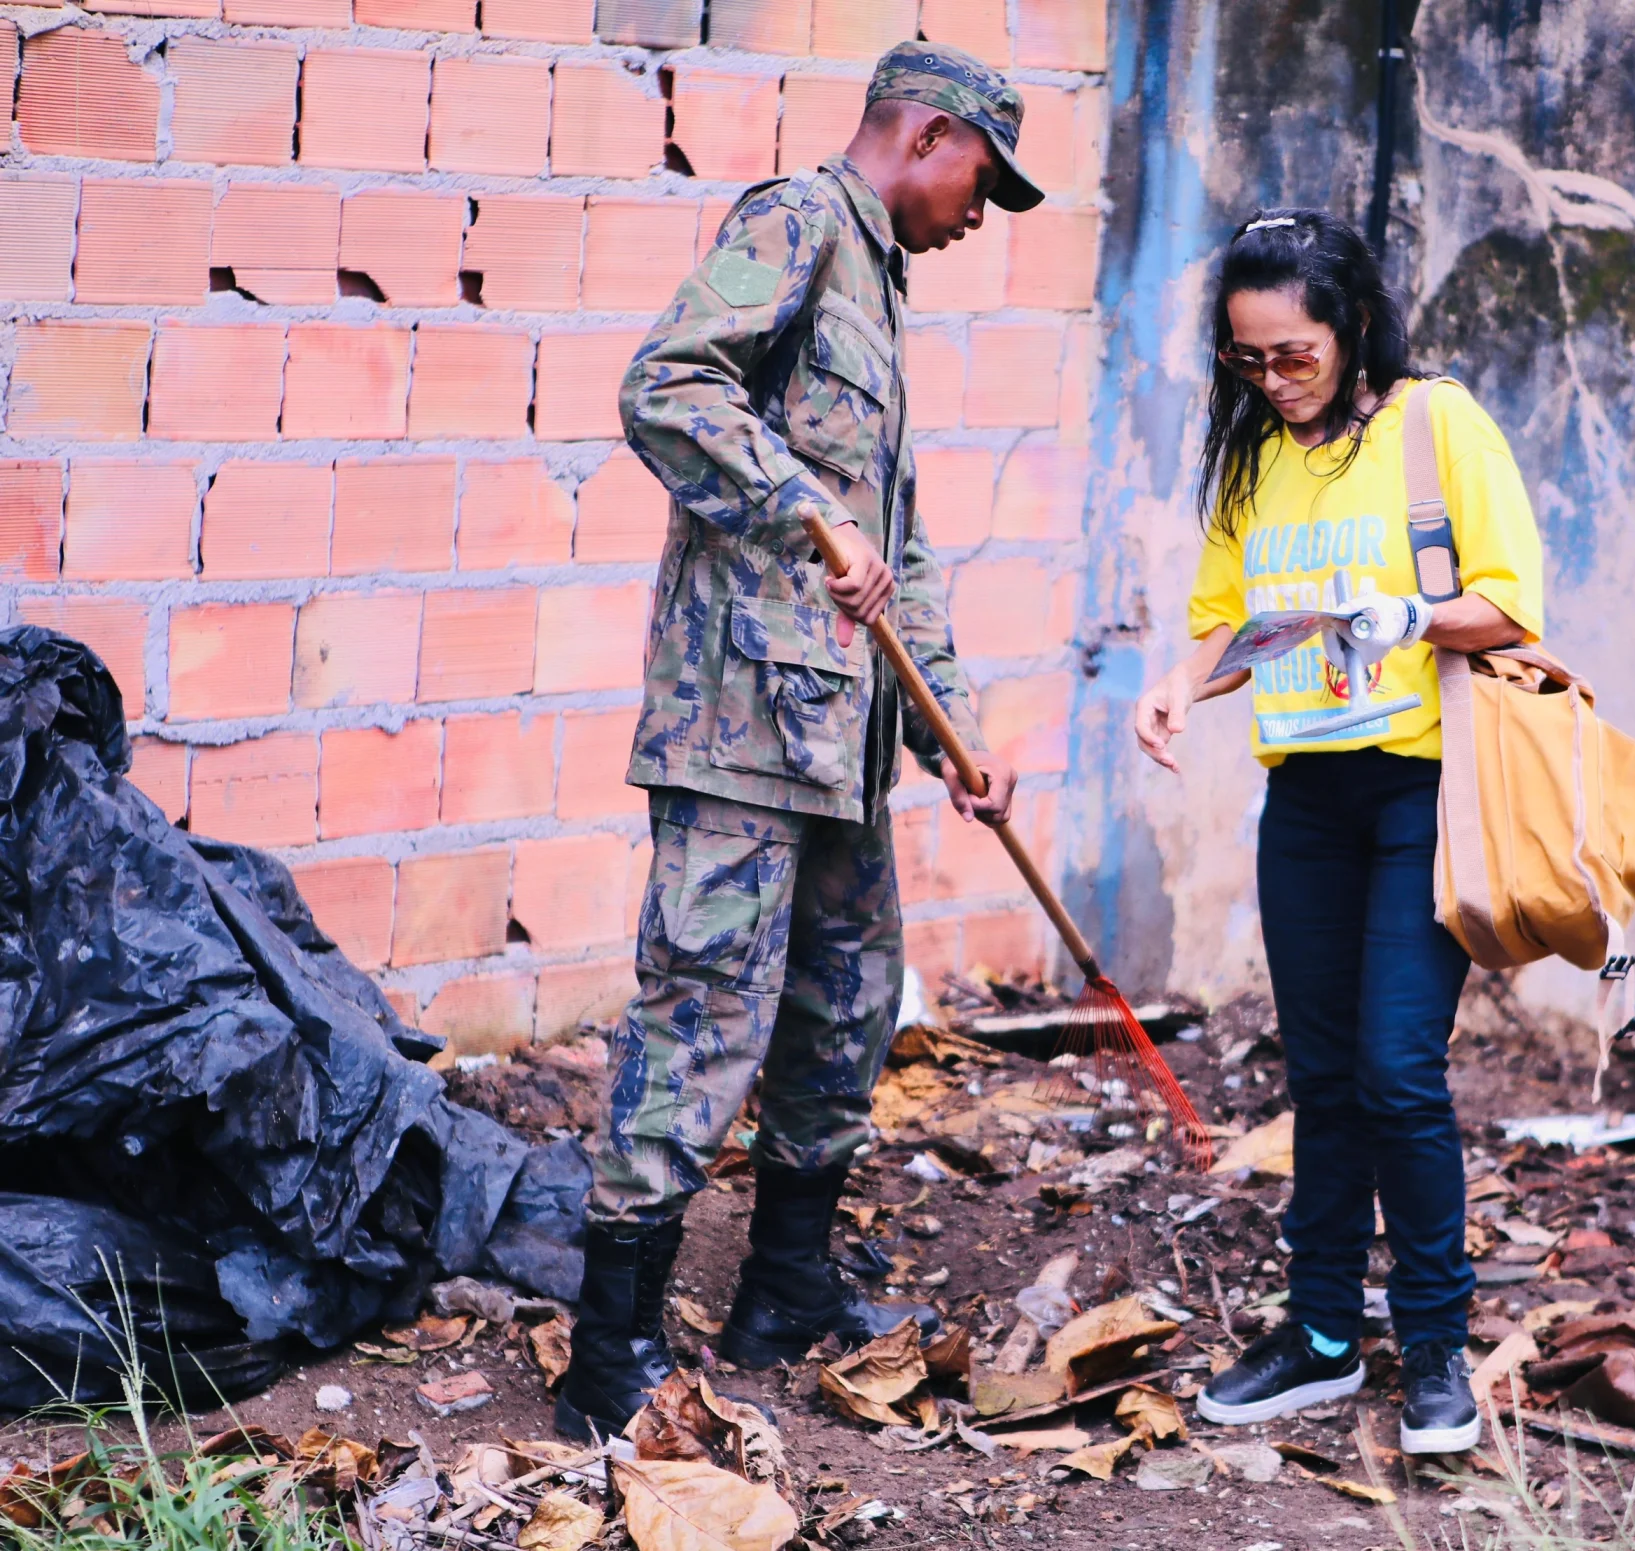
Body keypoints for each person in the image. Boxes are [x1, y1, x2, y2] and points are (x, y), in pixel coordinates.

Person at [555, 41, 1040, 1442]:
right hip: (738, 722)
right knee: (703, 1014)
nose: (976, 217)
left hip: (845, 734)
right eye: (981, 184)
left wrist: (953, 725)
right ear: (930, 136)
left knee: (839, 1014)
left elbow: (899, 544)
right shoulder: (792, 222)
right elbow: (667, 386)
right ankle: (607, 1353)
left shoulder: (879, 281)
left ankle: (785, 1286)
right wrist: (796, 508)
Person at [1133, 209, 1545, 1454]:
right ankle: (1318, 1337)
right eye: (1247, 360)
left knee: (1396, 1071)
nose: (1270, 379)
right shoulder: (1257, 454)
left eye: (1292, 356)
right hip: (1303, 797)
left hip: (1421, 790)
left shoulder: (1437, 424)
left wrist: (1409, 614)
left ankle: (1431, 1349)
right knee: (1318, 1080)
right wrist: (1176, 683)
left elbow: (1512, 602)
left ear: (1351, 325)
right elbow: (1222, 614)